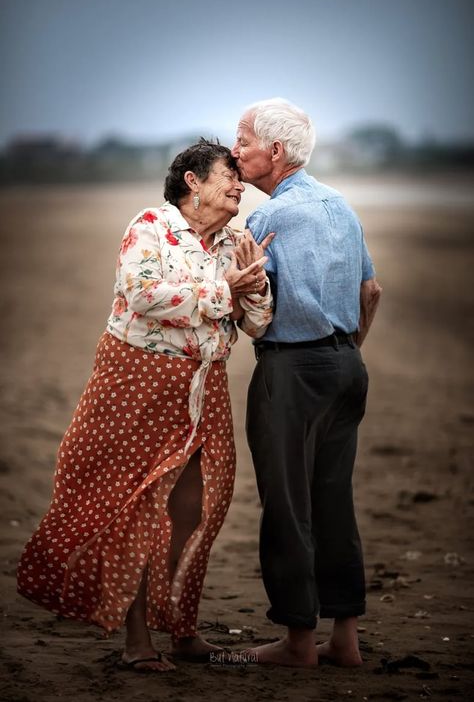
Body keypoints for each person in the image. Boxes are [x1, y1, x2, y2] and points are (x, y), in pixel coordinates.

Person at [17, 140, 273, 672]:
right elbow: (142, 293)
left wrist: (257, 284)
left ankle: (182, 629)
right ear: (193, 181)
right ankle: (138, 642)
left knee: (198, 510)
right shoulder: (151, 226)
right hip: (136, 383)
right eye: (229, 174)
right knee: (138, 507)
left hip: (205, 387)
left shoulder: (234, 241)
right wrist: (224, 288)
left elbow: (257, 324)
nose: (239, 185)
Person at [231, 99, 382, 667]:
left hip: (290, 371)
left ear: (275, 152)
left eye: (243, 139)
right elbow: (372, 293)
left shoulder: (267, 219)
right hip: (347, 368)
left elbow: (253, 308)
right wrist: (344, 353)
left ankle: (298, 641)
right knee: (334, 500)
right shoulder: (341, 205)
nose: (235, 148)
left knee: (287, 505)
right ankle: (345, 638)